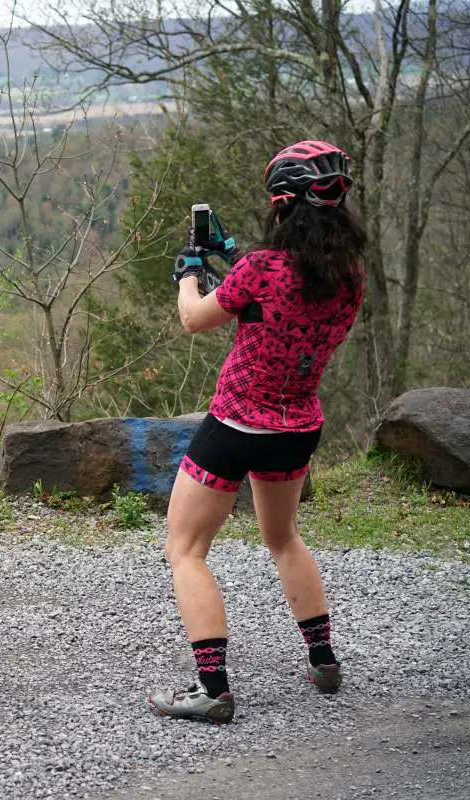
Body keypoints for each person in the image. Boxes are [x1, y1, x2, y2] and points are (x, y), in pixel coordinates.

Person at [149, 140, 368, 724]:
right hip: (298, 426)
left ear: (282, 205)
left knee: (186, 549)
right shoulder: (347, 275)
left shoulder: (261, 270)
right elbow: (285, 283)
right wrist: (231, 252)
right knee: (283, 538)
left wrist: (191, 273)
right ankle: (323, 661)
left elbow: (195, 318)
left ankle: (213, 688)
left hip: (235, 425)